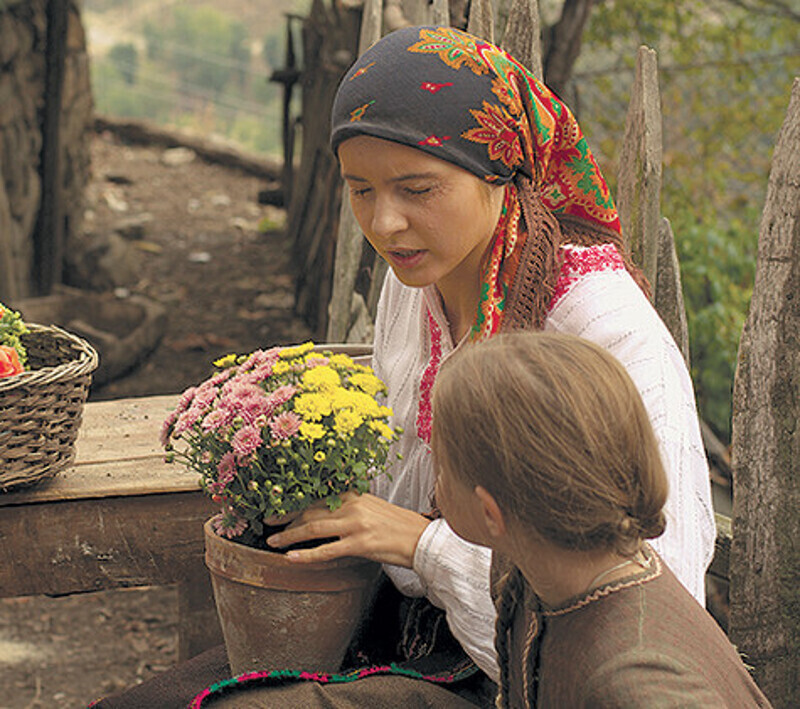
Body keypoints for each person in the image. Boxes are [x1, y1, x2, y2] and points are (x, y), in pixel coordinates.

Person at [93, 25, 715, 708]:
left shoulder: (602, 330)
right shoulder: (418, 279)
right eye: (361, 189)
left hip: (518, 679)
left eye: (417, 188)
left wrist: (424, 546)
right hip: (398, 629)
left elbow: (655, 610)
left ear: (501, 176)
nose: (385, 223)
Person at [431, 330, 770, 707]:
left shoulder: (635, 688)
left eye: (441, 467)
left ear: (490, 513)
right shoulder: (533, 569)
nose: (435, 479)